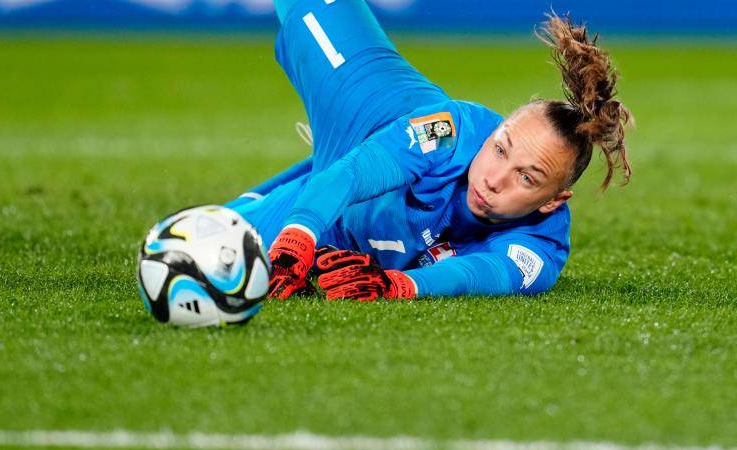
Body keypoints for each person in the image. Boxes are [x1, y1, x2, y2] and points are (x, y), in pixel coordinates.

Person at [226, 0, 633, 301]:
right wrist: (299, 234)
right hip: (367, 107)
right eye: (500, 149)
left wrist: (399, 286)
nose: (494, 179)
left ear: (553, 201)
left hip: (344, 223)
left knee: (187, 248)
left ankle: (294, 193)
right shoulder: (452, 130)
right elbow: (359, 171)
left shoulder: (541, 244)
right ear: (496, 129)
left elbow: (482, 273)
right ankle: (310, 197)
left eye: (527, 178)